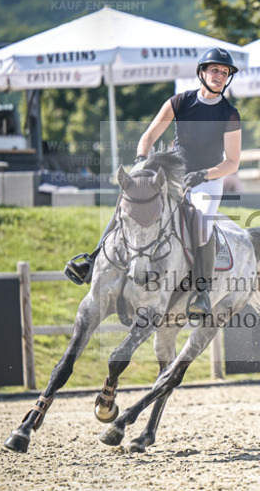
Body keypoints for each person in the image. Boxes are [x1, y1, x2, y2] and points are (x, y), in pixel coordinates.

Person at [64, 47, 242, 317]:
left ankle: (202, 292)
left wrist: (204, 175)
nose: (220, 75)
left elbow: (232, 162)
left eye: (225, 72)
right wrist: (140, 162)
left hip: (208, 179)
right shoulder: (180, 102)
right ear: (202, 73)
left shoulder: (229, 114)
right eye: (215, 70)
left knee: (203, 221)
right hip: (172, 174)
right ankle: (92, 259)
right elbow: (147, 137)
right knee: (131, 199)